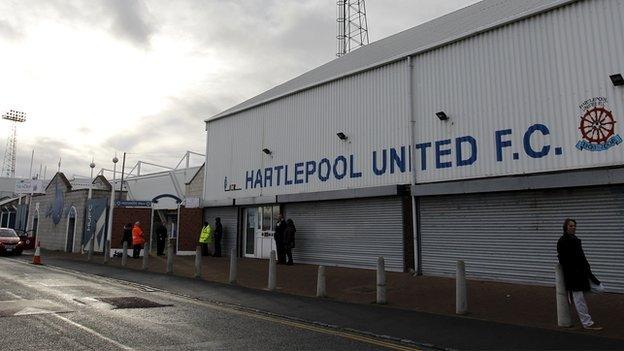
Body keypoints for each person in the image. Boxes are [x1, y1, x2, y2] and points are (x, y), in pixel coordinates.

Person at [557, 218, 603, 331]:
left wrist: (587, 268)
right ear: (565, 227)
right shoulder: (562, 241)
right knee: (579, 300)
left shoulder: (576, 239)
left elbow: (582, 256)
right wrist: (570, 269)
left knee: (600, 288)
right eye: (570, 226)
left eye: (574, 226)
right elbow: (561, 258)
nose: (573, 227)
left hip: (583, 274)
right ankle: (587, 323)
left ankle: (576, 296)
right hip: (573, 275)